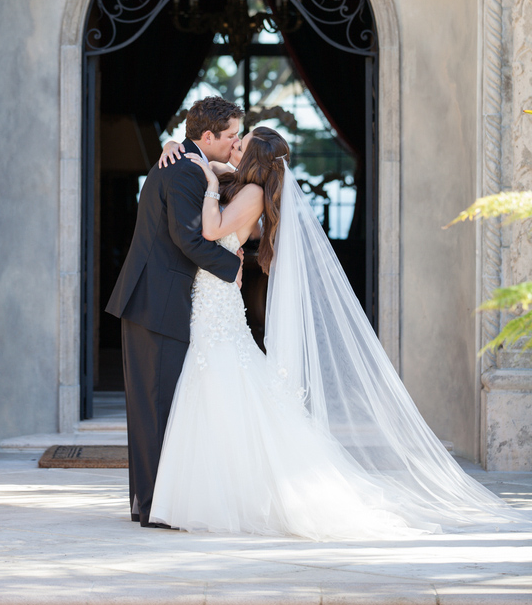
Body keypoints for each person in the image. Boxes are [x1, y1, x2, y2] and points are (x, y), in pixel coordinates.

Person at [151, 126, 529, 539]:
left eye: (240, 145)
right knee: (222, 389)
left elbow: (209, 230)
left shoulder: (251, 194)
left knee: (223, 386)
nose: (232, 148)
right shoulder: (247, 186)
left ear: (253, 158)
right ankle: (217, 490)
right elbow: (210, 164)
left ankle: (231, 496)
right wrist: (173, 146)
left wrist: (207, 184)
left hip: (217, 305)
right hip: (214, 301)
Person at [105, 96, 244, 528]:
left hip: (149, 299)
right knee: (156, 405)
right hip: (156, 301)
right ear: (207, 137)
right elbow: (188, 239)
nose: (234, 144)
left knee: (152, 406)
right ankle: (153, 507)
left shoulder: (182, 160)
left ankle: (148, 502)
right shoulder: (185, 168)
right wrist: (234, 266)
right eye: (231, 137)